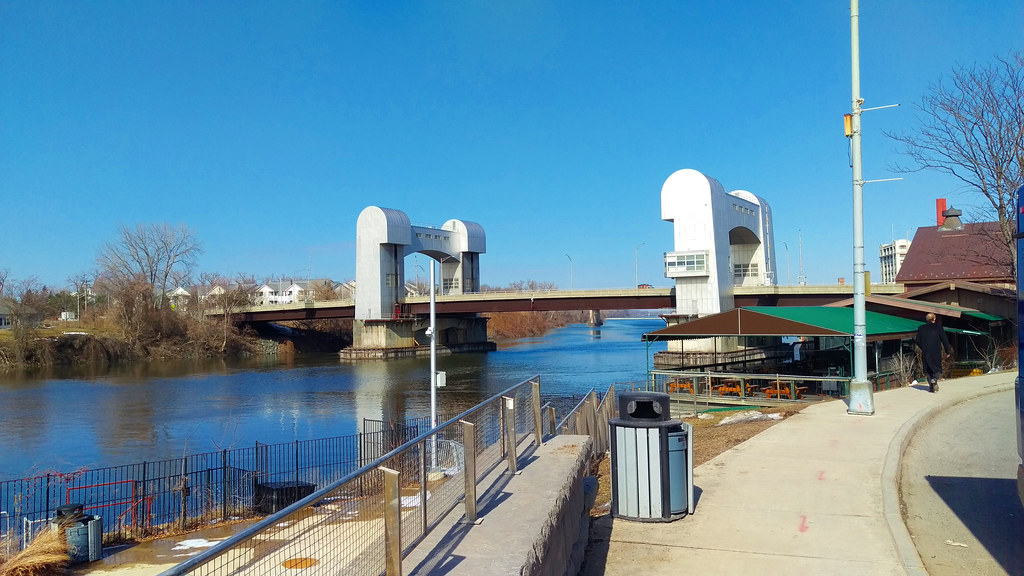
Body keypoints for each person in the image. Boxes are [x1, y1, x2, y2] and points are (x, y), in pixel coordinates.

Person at [914, 313, 952, 392]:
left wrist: (923, 347)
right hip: (936, 351)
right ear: (934, 319)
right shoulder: (938, 328)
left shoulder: (921, 328)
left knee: (928, 370)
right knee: (937, 368)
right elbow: (945, 340)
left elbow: (917, 340)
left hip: (926, 352)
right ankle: (935, 379)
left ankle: (931, 387)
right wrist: (947, 351)